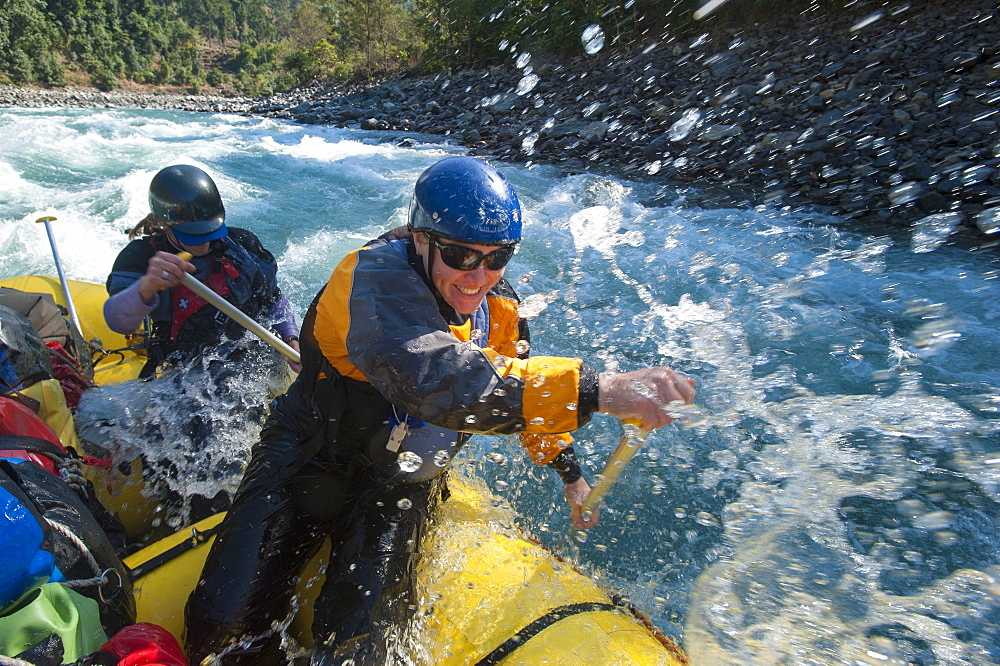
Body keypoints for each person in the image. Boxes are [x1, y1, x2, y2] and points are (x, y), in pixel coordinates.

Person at [183, 156, 696, 665]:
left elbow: (511, 380)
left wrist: (569, 472)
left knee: (364, 651)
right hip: (311, 450)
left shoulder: (501, 310)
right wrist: (600, 390)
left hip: (398, 481)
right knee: (220, 622)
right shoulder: (369, 276)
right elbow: (436, 378)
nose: (479, 276)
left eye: (498, 257)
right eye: (460, 255)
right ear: (421, 237)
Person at [97, 164, 301, 530]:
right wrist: (147, 287)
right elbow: (117, 320)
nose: (205, 242)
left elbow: (274, 300)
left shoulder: (240, 245)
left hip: (254, 360)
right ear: (165, 224)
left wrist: (290, 337)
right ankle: (194, 519)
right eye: (193, 235)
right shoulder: (142, 259)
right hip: (191, 375)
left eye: (211, 232)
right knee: (195, 434)